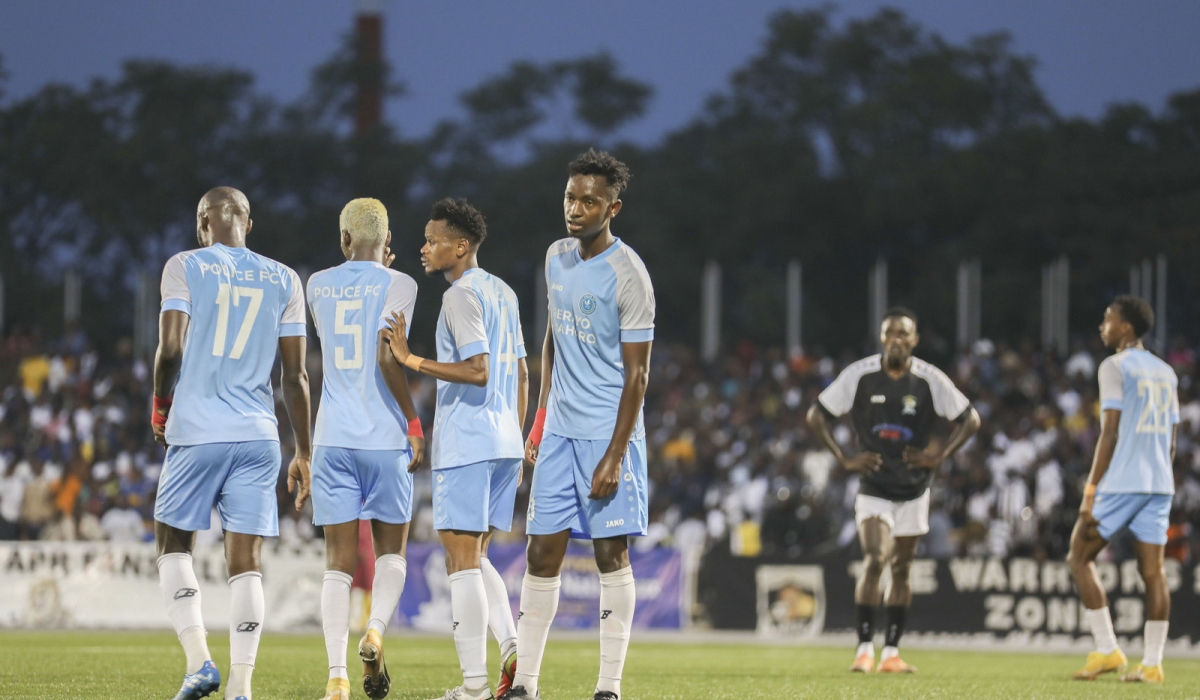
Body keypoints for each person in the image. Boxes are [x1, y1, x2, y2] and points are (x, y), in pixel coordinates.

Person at [151, 187, 312, 700]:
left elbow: (171, 347)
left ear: (203, 223)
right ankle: (241, 687)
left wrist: (160, 405)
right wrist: (304, 451)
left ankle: (200, 662)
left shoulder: (184, 265)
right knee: (246, 561)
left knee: (173, 544)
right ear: (248, 221)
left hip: (198, 429)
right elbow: (296, 376)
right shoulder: (285, 278)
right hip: (258, 435)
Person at [506, 149, 654, 700]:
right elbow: (551, 339)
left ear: (612, 207)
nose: (576, 208)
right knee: (540, 553)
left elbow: (638, 377)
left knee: (609, 555)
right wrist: (540, 421)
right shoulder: (556, 257)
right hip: (561, 434)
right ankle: (524, 685)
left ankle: (608, 687)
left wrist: (615, 455)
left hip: (607, 435)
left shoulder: (629, 274)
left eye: (589, 201)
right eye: (571, 197)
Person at [384, 198, 528, 700]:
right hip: (503, 439)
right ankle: (516, 658)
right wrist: (517, 430)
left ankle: (473, 687)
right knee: (476, 553)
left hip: (468, 440)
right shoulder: (504, 292)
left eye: (432, 239)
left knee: (459, 559)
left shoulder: (460, 297)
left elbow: (479, 369)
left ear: (460, 246)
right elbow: (522, 372)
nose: (423, 248)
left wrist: (410, 358)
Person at [807, 307, 980, 674]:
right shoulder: (861, 374)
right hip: (873, 484)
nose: (896, 340)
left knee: (902, 570)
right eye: (890, 334)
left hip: (915, 487)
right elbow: (816, 414)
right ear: (881, 338)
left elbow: (971, 420)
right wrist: (844, 458)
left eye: (904, 334)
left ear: (915, 340)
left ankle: (892, 654)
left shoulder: (930, 380)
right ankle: (864, 648)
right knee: (875, 558)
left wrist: (940, 457)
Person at [307, 198, 424, 700]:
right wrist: (415, 422)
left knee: (337, 563)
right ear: (389, 243)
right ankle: (374, 631)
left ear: (343, 239)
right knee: (391, 553)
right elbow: (386, 356)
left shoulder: (315, 284)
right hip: (384, 437)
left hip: (332, 438)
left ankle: (336, 676)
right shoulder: (403, 284)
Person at [1067, 296, 1178, 684]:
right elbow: (1172, 440)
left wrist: (1091, 488)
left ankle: (1107, 648)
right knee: (1154, 573)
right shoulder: (1167, 372)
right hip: (1159, 482)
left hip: (1124, 481)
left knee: (1079, 557)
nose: (1103, 326)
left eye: (1108, 318)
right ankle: (1152, 663)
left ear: (1126, 327)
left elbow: (1109, 432)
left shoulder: (1114, 366)